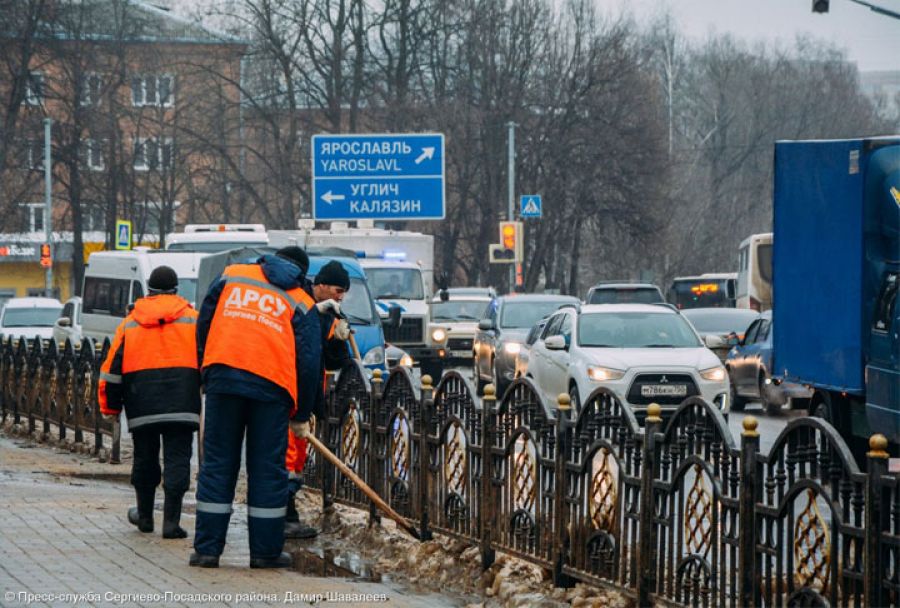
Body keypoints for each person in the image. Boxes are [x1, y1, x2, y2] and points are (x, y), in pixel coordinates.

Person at [191, 246, 321, 569]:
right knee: (267, 469)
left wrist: (204, 370)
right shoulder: (302, 302)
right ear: (301, 275)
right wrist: (302, 413)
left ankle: (207, 550)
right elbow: (308, 363)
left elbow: (204, 321)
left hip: (223, 377)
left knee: (218, 463)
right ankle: (264, 552)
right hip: (272, 387)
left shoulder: (232, 276)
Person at [98, 265, 200, 539]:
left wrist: (110, 406)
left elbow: (111, 369)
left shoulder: (130, 323)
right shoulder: (193, 319)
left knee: (145, 457)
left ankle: (144, 516)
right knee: (178, 459)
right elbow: (208, 359)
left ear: (150, 290)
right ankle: (171, 522)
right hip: (182, 402)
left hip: (141, 402)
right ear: (176, 289)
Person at [284, 260, 352, 539]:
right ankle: (283, 516)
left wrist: (338, 337)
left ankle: (286, 513)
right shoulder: (299, 303)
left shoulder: (332, 313)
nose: (340, 296)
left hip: (308, 396)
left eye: (344, 292)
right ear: (320, 285)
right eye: (337, 289)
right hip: (290, 390)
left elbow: (337, 360)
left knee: (297, 455)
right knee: (286, 456)